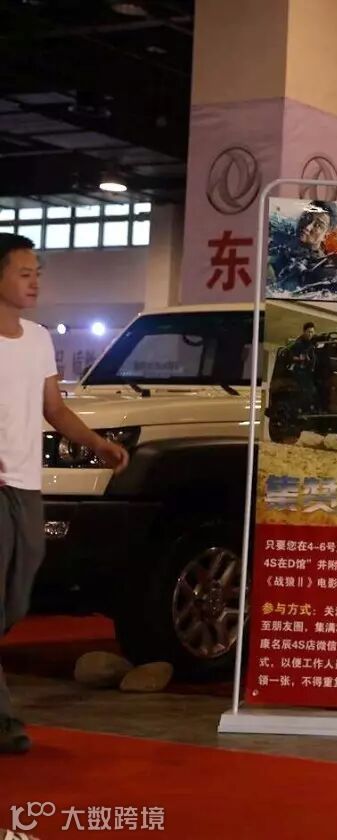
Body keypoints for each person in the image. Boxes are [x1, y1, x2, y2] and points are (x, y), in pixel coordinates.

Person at [0, 234, 130, 755]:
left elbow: (53, 407)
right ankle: (5, 721)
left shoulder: (36, 339)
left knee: (16, 600)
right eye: (24, 272)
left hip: (27, 488)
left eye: (38, 272)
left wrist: (97, 443)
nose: (35, 282)